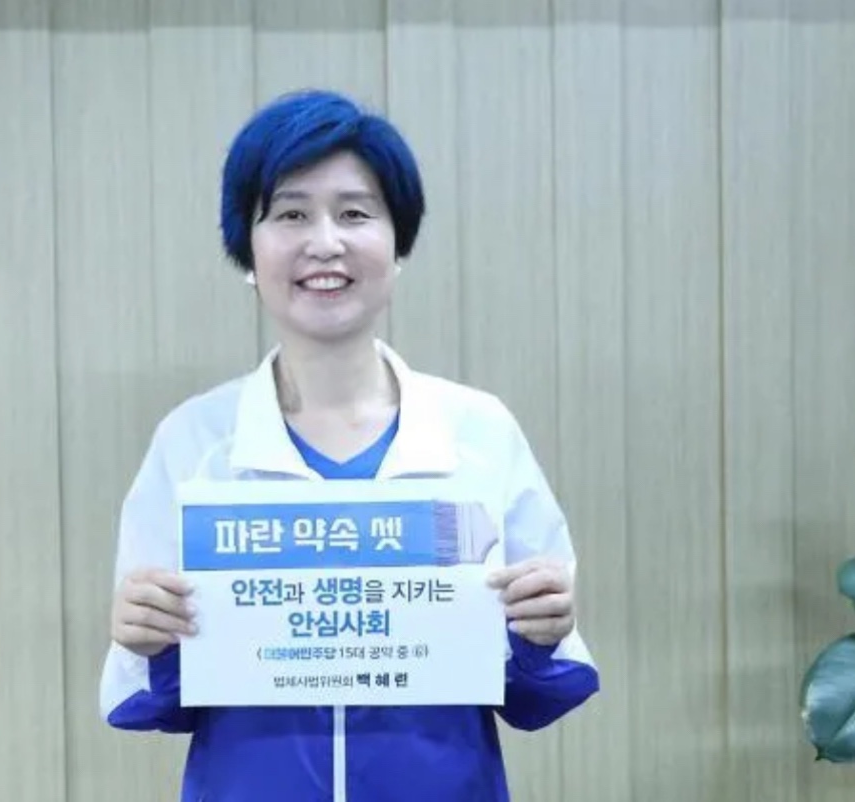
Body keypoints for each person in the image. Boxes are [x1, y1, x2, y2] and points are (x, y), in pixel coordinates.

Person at [99, 88, 599, 801]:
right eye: (291, 213)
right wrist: (145, 637)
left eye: (355, 213)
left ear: (398, 246)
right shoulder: (194, 442)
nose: (325, 242)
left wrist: (541, 630)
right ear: (248, 249)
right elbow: (154, 698)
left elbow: (535, 690)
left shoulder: (479, 433)